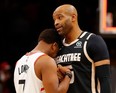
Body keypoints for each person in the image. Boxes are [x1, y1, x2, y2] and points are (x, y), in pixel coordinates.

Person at [52, 4, 112, 93]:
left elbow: (105, 80)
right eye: (54, 20)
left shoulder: (93, 41)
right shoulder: (57, 47)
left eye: (60, 18)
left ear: (73, 17)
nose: (56, 23)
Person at [14, 28, 72, 93]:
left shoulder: (19, 62)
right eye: (57, 52)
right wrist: (68, 75)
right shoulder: (46, 61)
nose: (55, 56)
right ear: (54, 46)